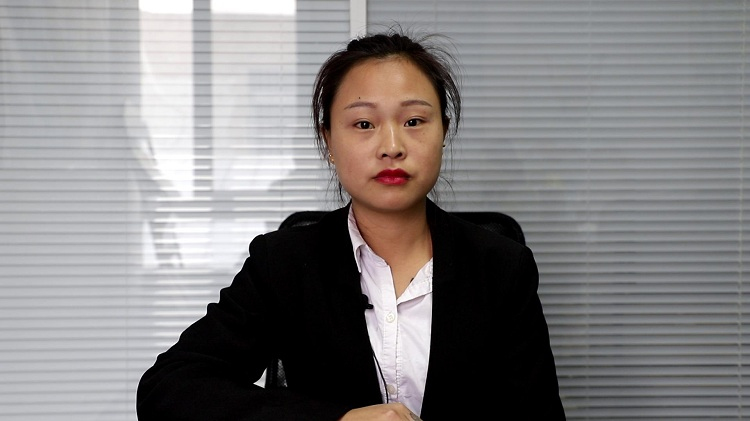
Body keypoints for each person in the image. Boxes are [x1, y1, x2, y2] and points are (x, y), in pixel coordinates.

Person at [137, 27, 565, 421]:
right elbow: (168, 389)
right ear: (328, 141)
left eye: (414, 121)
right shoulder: (283, 265)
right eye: (363, 124)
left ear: (443, 132)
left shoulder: (501, 268)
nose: (392, 147)